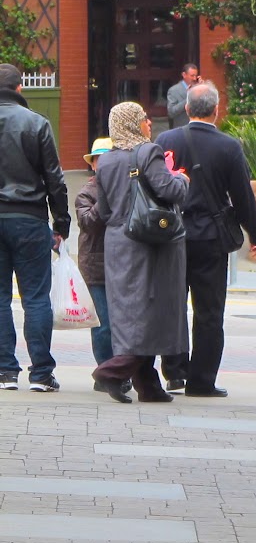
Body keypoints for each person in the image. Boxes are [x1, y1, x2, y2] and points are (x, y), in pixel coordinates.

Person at [155, 79, 256, 397]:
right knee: (209, 312)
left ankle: (174, 372)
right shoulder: (229, 146)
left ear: (187, 109)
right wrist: (254, 233)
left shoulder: (165, 140)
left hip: (172, 234)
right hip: (211, 238)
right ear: (217, 111)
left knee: (173, 305)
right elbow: (242, 195)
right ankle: (201, 380)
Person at [92, 103, 190, 403]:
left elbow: (104, 210)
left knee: (130, 311)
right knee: (154, 309)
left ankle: (149, 386)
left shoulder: (105, 161)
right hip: (150, 243)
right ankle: (113, 370)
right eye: (144, 118)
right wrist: (182, 179)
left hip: (118, 243)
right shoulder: (149, 152)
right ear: (134, 124)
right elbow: (170, 191)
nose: (149, 123)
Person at [0, 62, 71, 391]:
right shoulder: (37, 124)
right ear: (19, 89)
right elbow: (55, 179)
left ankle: (5, 371)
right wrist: (61, 221)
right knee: (36, 298)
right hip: (29, 218)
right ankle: (41, 372)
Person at [74, 136, 119, 381]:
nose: (103, 164)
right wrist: (106, 194)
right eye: (99, 160)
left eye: (108, 159)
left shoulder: (125, 187)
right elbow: (89, 222)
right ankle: (105, 372)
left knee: (121, 324)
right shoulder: (86, 193)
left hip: (122, 266)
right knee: (103, 326)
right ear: (92, 165)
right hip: (96, 269)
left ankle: (119, 371)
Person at [166, 63, 200, 130]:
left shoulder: (199, 89)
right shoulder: (174, 90)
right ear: (184, 75)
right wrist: (189, 98)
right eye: (192, 76)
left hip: (197, 129)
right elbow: (171, 112)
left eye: (196, 76)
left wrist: (203, 90)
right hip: (181, 130)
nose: (194, 78)